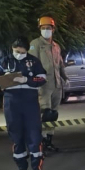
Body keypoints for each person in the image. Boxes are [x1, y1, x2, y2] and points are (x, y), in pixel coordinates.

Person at [0, 38, 48, 170]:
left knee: (34, 137)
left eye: (21, 52)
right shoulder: (4, 61)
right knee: (16, 137)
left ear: (26, 50)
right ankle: (22, 169)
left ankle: (37, 169)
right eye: (16, 51)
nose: (18, 54)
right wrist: (3, 79)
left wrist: (26, 80)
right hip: (11, 102)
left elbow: (43, 78)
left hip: (29, 102)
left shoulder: (33, 61)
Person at [29, 16, 69, 153]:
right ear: (40, 29)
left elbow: (60, 65)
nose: (46, 30)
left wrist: (65, 78)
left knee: (53, 115)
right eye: (43, 28)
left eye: (49, 28)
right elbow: (31, 65)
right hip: (43, 86)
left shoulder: (56, 46)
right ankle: (40, 142)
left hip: (57, 85)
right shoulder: (35, 44)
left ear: (53, 29)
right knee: (44, 114)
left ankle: (49, 141)